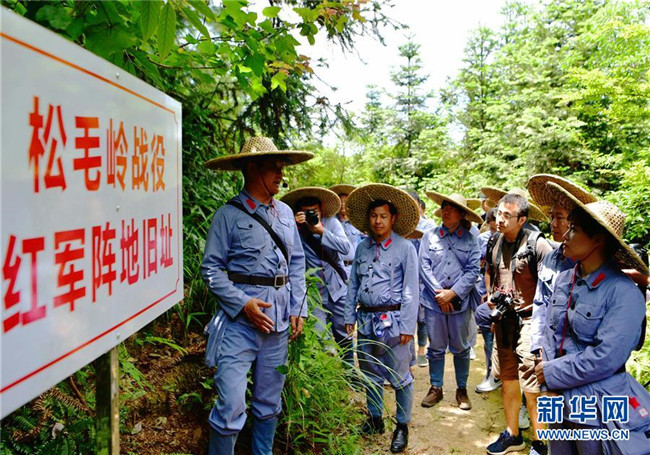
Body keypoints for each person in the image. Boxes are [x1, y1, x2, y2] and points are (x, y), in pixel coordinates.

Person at [201, 137, 312, 455]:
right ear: (251, 169)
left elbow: (297, 264)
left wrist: (299, 309)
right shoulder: (228, 215)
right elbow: (211, 269)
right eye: (273, 167)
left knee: (268, 403)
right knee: (230, 404)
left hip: (278, 325)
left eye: (281, 167)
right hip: (238, 326)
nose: (280, 174)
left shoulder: (287, 213)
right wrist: (242, 303)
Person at [536, 182, 650, 454]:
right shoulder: (565, 279)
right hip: (557, 397)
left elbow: (606, 357)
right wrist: (546, 382)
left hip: (596, 404)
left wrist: (550, 373)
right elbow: (551, 333)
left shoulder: (623, 293)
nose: (565, 234)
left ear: (598, 239)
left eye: (574, 229)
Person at [344, 183, 420, 454]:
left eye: (383, 216)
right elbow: (353, 283)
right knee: (370, 373)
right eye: (374, 216)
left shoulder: (405, 248)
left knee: (400, 376)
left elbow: (411, 289)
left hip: (394, 322)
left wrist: (408, 326)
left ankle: (402, 426)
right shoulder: (362, 248)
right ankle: (375, 419)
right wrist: (348, 314)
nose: (378, 221)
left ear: (393, 218)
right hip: (365, 320)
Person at [483, 191, 553, 455]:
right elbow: (492, 274)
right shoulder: (495, 241)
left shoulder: (538, 245)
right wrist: (493, 299)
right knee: (508, 378)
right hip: (504, 321)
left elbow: (552, 291)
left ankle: (541, 442)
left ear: (522, 219)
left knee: (532, 386)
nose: (500, 219)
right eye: (499, 213)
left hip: (531, 321)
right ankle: (513, 434)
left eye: (507, 215)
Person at [419, 192, 482, 411]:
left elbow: (473, 271)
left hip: (460, 303)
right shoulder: (429, 236)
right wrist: (440, 294)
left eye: (452, 208)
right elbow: (424, 266)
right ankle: (435, 387)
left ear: (462, 214)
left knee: (461, 348)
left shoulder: (471, 239)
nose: (446, 211)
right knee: (435, 347)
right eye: (445, 206)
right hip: (433, 302)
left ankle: (461, 389)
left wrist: (452, 293)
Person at [527, 175, 597, 358]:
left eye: (560, 218)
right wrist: (538, 344)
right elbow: (541, 302)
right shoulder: (551, 258)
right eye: (552, 217)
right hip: (550, 350)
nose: (553, 224)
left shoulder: (592, 264)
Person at [281, 187, 353, 363]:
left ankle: (350, 371)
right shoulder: (295, 228)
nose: (311, 215)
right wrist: (293, 225)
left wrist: (321, 231)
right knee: (321, 337)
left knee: (344, 334)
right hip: (313, 292)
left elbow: (346, 249)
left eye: (314, 211)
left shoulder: (332, 223)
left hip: (337, 288)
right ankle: (328, 372)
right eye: (306, 212)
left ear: (321, 209)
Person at [407, 189, 437, 368]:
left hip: (424, 278)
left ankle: (421, 350)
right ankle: (409, 353)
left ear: (419, 205)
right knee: (407, 314)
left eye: (413, 204)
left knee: (423, 317)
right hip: (405, 278)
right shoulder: (399, 225)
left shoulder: (429, 224)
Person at [474, 208, 502, 393]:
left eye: (496, 229)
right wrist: (489, 292)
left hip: (514, 302)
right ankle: (492, 372)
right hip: (494, 296)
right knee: (485, 318)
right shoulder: (491, 240)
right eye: (491, 229)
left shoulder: (525, 242)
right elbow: (488, 270)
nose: (494, 232)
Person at [330, 184, 366, 277]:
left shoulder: (357, 223)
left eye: (345, 201)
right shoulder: (331, 222)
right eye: (340, 201)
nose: (342, 204)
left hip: (355, 267)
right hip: (336, 267)